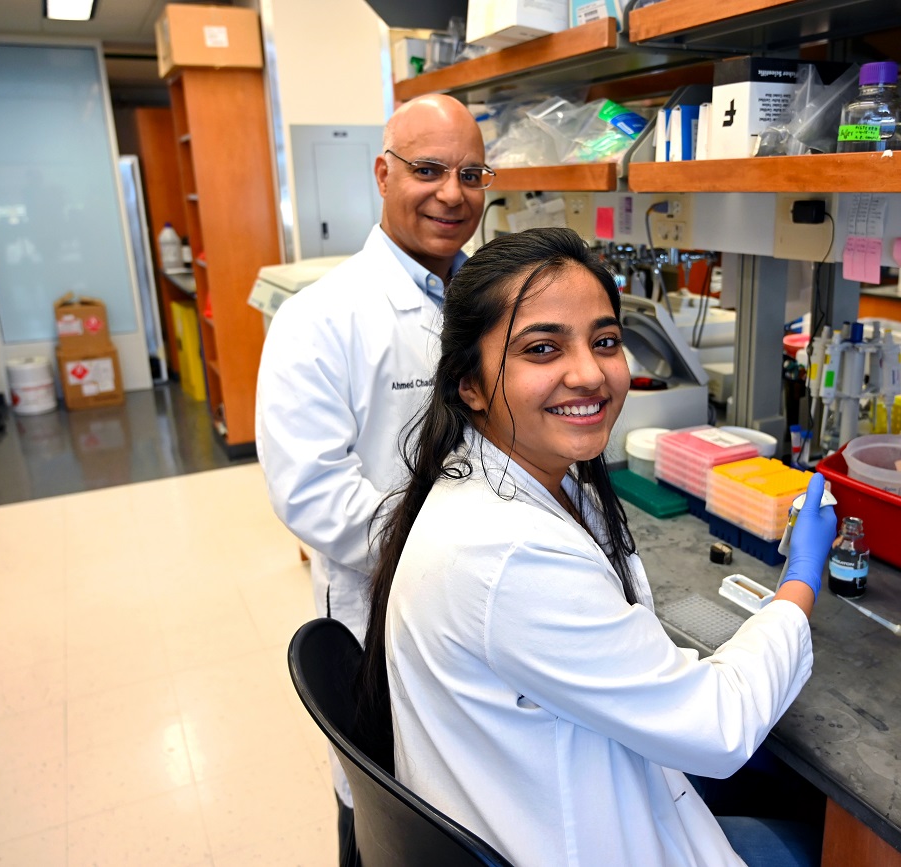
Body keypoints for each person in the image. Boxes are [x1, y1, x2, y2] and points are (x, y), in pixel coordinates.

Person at [360, 227, 838, 867]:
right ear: (469, 385)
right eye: (542, 348)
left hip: (568, 793)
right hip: (570, 839)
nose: (588, 373)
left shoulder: (517, 481)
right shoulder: (508, 553)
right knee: (829, 847)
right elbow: (718, 725)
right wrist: (799, 583)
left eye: (605, 341)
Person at [255, 93, 489, 851]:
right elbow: (311, 491)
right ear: (383, 173)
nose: (452, 193)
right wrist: (446, 559)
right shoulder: (320, 320)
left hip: (492, 608)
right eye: (428, 169)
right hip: (382, 612)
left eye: (471, 173)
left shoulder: (496, 300)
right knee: (390, 819)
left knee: (477, 808)